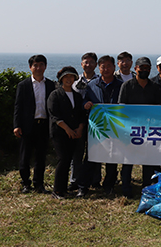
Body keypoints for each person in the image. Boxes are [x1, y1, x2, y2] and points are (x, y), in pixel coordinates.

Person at [118, 57, 161, 198]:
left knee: (148, 160)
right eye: (141, 67)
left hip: (149, 131)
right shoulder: (127, 86)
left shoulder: (155, 87)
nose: (144, 70)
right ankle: (125, 188)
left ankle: (147, 187)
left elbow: (160, 110)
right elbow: (121, 108)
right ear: (135, 68)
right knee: (128, 160)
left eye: (147, 68)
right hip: (131, 130)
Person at [13, 54, 56, 194]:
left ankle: (39, 184)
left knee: (41, 157)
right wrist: (16, 125)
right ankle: (26, 183)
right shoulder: (23, 85)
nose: (38, 68)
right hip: (27, 126)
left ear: (45, 66)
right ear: (30, 67)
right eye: (35, 65)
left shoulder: (50, 85)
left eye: (41, 65)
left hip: (43, 125)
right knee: (25, 156)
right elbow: (18, 107)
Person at [83, 55, 124, 195]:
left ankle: (109, 185)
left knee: (112, 157)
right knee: (91, 157)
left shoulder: (121, 85)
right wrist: (85, 104)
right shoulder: (91, 85)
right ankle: (85, 186)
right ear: (98, 68)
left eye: (108, 66)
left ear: (114, 67)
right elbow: (84, 100)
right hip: (97, 127)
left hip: (114, 127)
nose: (105, 69)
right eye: (103, 66)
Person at [47, 67, 86, 199]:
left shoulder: (77, 95)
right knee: (62, 160)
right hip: (60, 133)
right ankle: (57, 191)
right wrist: (67, 129)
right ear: (61, 79)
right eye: (66, 77)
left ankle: (63, 189)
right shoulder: (55, 95)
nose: (69, 79)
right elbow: (54, 115)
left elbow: (81, 115)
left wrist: (79, 129)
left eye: (71, 77)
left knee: (69, 160)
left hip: (74, 133)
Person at [69, 52, 99, 193]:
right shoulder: (74, 82)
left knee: (95, 152)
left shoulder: (99, 81)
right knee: (77, 152)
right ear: (81, 64)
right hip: (79, 122)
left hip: (97, 123)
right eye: (85, 62)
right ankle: (74, 180)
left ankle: (95, 180)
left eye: (91, 62)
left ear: (96, 65)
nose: (88, 65)